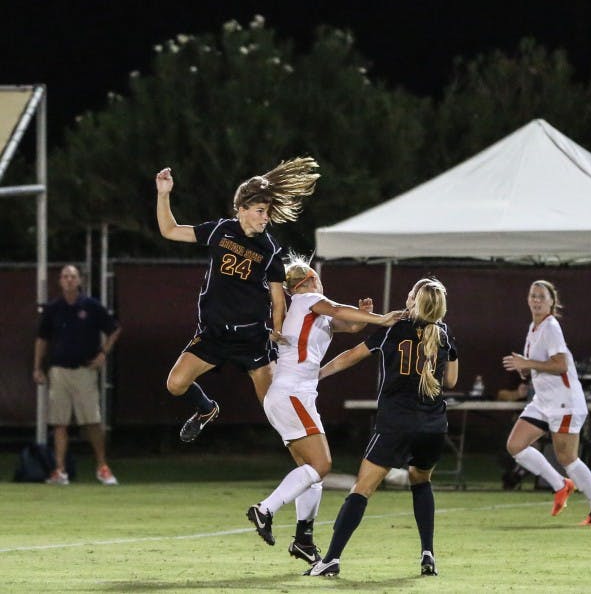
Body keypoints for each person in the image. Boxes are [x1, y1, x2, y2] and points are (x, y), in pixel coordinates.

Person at [245, 256, 403, 565]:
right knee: (322, 464)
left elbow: (349, 323)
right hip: (293, 394)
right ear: (304, 283)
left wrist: (365, 316)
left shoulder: (308, 308)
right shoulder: (308, 299)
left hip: (292, 395)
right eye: (316, 277)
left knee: (311, 474)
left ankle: (303, 539)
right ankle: (264, 509)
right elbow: (334, 309)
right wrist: (383, 318)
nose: (321, 282)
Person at [154, 158, 319, 442]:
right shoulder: (220, 231)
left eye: (267, 212)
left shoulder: (269, 250)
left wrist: (277, 331)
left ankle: (309, 460)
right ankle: (206, 410)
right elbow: (170, 230)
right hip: (213, 334)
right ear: (241, 210)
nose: (265, 217)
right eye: (259, 211)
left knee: (274, 410)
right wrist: (163, 194)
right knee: (175, 384)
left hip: (251, 339)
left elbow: (278, 300)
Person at [306, 278, 458, 578]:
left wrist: (317, 375)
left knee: (362, 489)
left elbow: (351, 356)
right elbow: (451, 382)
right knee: (421, 481)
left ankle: (331, 559)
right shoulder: (445, 334)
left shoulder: (394, 328)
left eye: (411, 293)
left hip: (397, 423)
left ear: (415, 300)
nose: (407, 295)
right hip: (433, 426)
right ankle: (428, 553)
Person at [500, 280, 591, 526]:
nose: (537, 300)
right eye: (533, 295)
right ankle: (561, 485)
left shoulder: (551, 326)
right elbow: (537, 366)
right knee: (515, 445)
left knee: (567, 458)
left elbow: (560, 364)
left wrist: (528, 364)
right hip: (543, 401)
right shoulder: (533, 327)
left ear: (552, 302)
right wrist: (524, 368)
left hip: (564, 402)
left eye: (542, 296)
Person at [32, 264, 122, 485]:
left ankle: (102, 467)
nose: (69, 280)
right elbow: (42, 339)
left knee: (92, 420)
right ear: (60, 281)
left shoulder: (91, 306)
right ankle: (60, 471)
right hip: (59, 371)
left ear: (80, 281)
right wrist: (37, 367)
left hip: (84, 370)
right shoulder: (53, 308)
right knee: (59, 422)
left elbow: (114, 329)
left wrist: (103, 353)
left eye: (73, 276)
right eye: (65, 276)